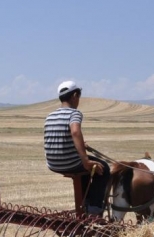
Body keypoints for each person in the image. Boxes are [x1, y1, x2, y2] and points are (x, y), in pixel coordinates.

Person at [44, 81, 110, 215]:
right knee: (103, 168)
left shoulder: (50, 116)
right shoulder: (74, 113)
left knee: (87, 167)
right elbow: (75, 132)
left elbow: (59, 136)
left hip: (52, 163)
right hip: (69, 162)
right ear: (75, 95)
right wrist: (85, 160)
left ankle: (85, 203)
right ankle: (94, 210)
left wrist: (81, 146)